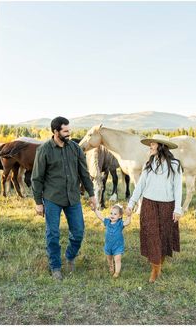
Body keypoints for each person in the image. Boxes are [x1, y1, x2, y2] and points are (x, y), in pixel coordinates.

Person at [31, 116, 97, 280]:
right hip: (52, 198)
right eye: (65, 131)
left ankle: (69, 256)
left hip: (73, 197)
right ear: (55, 132)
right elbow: (36, 178)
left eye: (69, 130)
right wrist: (38, 202)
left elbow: (84, 173)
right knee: (52, 234)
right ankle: (55, 267)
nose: (69, 133)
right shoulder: (44, 150)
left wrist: (92, 194)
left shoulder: (75, 148)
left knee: (79, 232)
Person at [125, 134, 183, 283]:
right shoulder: (148, 164)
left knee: (163, 235)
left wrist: (178, 209)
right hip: (149, 204)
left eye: (152, 144)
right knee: (151, 234)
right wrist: (131, 204)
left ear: (161, 146)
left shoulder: (175, 165)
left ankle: (158, 260)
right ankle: (155, 267)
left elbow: (178, 188)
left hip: (167, 205)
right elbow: (140, 186)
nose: (150, 146)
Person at [92, 204, 131, 278]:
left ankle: (116, 272)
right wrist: (95, 210)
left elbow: (127, 222)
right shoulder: (107, 222)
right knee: (109, 259)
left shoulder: (120, 223)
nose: (112, 215)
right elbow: (100, 217)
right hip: (108, 246)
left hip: (117, 246)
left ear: (119, 216)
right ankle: (111, 267)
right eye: (111, 213)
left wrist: (129, 216)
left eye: (115, 214)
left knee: (117, 259)